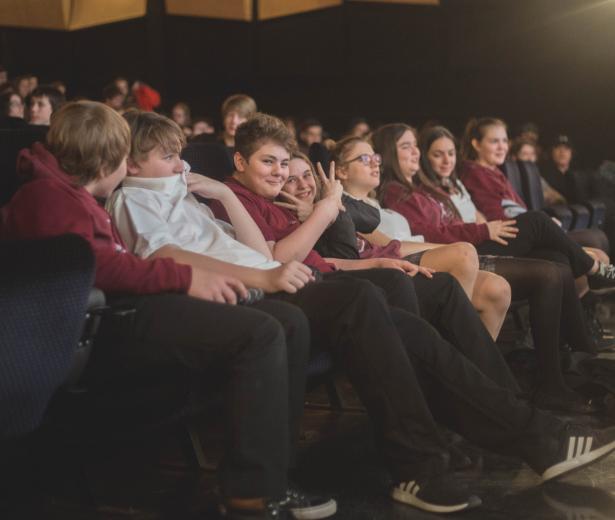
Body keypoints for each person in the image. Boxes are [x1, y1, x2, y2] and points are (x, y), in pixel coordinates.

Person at [0, 101, 332, 520]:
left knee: (284, 320)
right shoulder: (47, 197)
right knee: (261, 332)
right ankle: (253, 491)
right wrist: (185, 278)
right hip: (96, 330)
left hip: (118, 312)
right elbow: (98, 265)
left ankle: (275, 474)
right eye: (123, 159)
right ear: (108, 160)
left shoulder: (64, 193)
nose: (126, 170)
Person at [414, 124, 606, 409]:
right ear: (423, 158)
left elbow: (476, 218)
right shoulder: (415, 192)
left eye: (450, 153)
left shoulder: (452, 184)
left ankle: (574, 366)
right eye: (437, 154)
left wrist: (483, 227)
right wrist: (482, 230)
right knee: (539, 225)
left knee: (558, 259)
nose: (446, 160)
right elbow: (436, 233)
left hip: (475, 243)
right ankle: (592, 273)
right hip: (463, 254)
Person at [280, 147, 510, 341]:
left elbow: (375, 224)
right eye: (291, 179)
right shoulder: (294, 219)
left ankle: (475, 366)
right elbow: (344, 254)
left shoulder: (334, 200)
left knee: (497, 289)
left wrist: (329, 203)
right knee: (466, 256)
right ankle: (456, 358)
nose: (302, 184)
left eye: (307, 175)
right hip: (378, 272)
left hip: (390, 254)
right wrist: (322, 212)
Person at [458, 117, 610, 256]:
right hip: (509, 238)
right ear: (476, 144)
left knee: (597, 238)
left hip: (525, 229)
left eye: (504, 141)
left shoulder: (495, 172)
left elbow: (519, 208)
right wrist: (540, 225)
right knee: (592, 243)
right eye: (494, 141)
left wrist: (544, 223)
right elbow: (496, 218)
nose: (502, 147)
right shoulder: (474, 173)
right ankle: (603, 272)